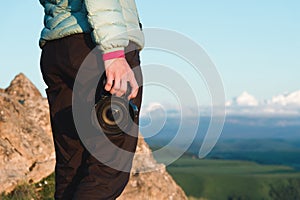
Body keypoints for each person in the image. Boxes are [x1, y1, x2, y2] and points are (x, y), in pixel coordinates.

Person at [39, 0, 144, 199]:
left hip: (57, 47)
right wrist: (113, 51)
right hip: (96, 47)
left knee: (72, 166)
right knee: (107, 168)